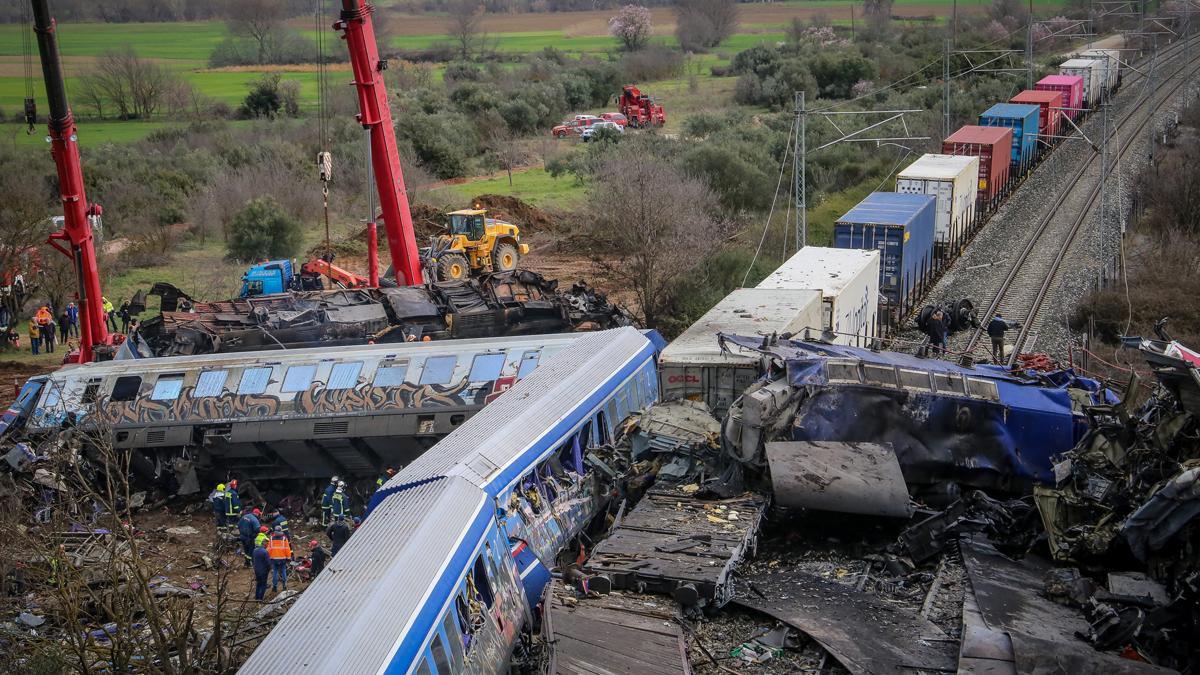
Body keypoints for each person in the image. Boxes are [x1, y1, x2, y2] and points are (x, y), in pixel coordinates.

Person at [267, 526, 292, 592]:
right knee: (283, 571)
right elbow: (287, 549)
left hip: (274, 559)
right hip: (282, 559)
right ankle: (284, 585)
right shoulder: (284, 539)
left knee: (275, 572)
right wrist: (288, 558)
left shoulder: (271, 538)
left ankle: (275, 587)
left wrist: (268, 558)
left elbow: (269, 549)